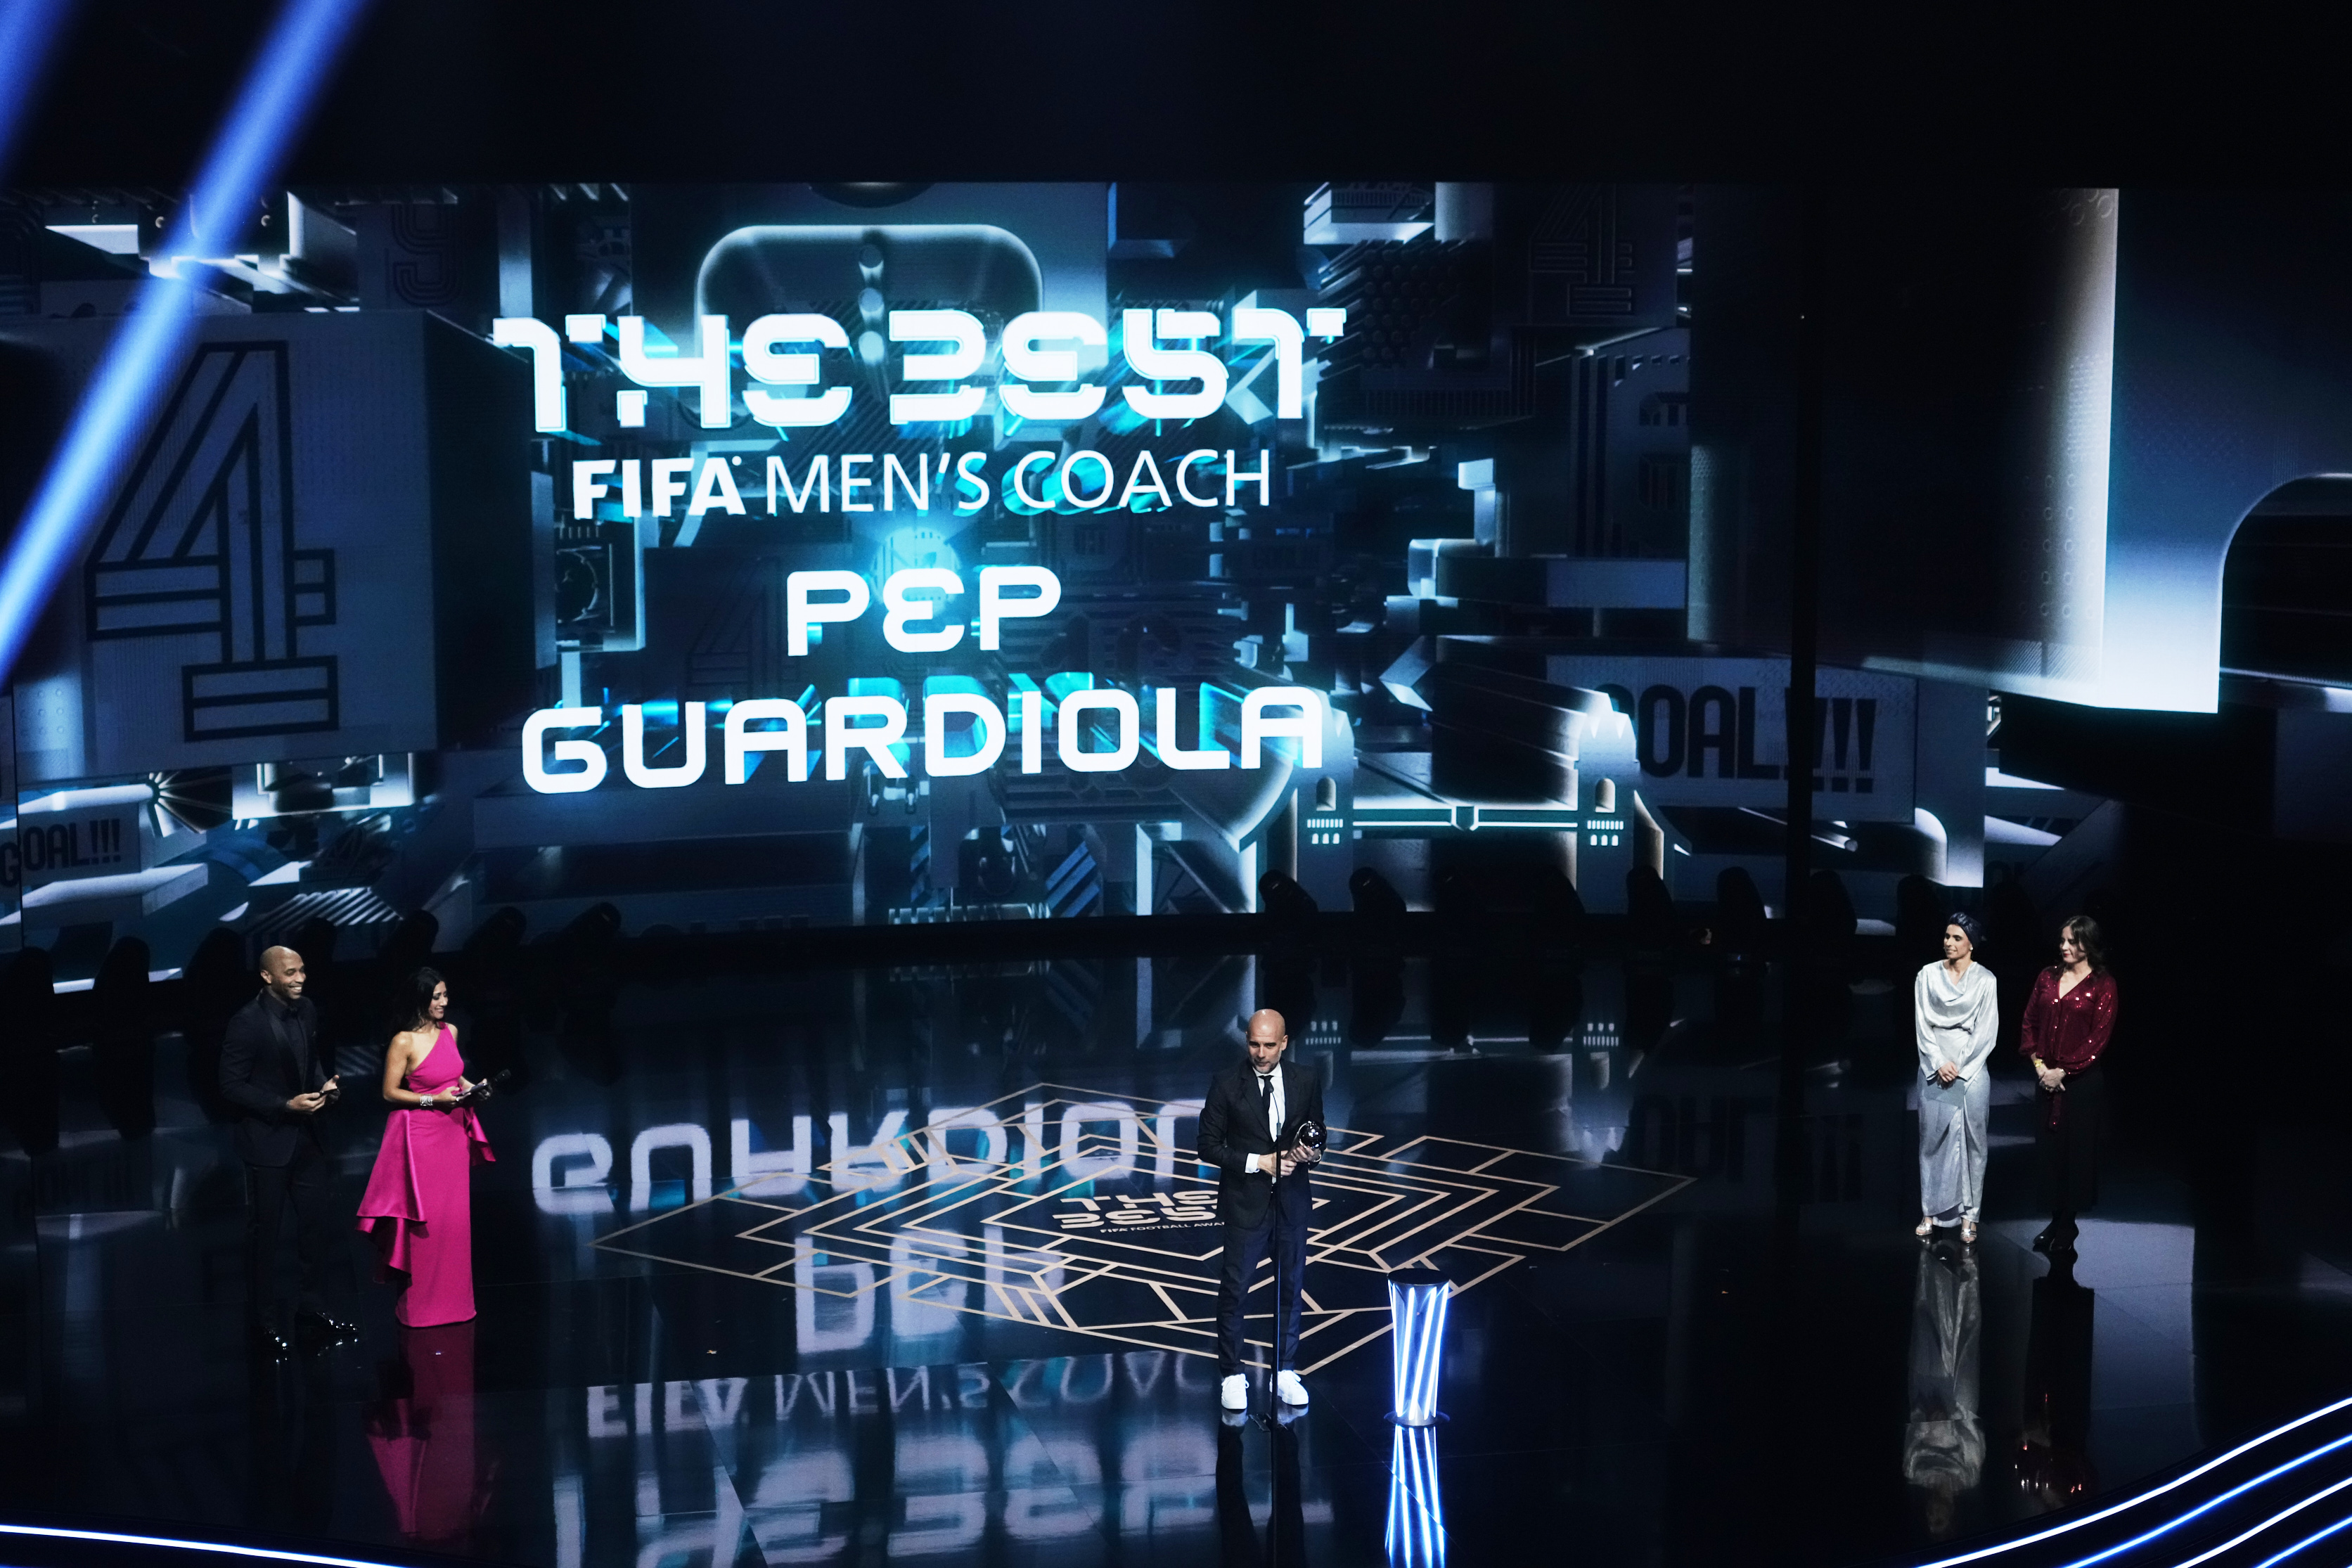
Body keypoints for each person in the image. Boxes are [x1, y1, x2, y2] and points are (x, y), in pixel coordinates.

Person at [219, 944, 352, 1358]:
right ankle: (262, 1321)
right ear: (267, 977)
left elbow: (310, 1061)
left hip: (308, 1138)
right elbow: (230, 1085)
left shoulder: (307, 1010)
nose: (300, 979)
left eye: (302, 970)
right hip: (268, 1143)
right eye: (291, 973)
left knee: (315, 1228)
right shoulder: (246, 1022)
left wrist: (323, 1087)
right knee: (266, 1237)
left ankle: (311, 1310)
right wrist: (283, 1106)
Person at [1196, 1008, 1325, 1413]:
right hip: (1245, 1204)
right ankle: (1233, 1374)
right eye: (1254, 1044)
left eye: (1270, 1045)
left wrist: (1311, 1153)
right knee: (1235, 1291)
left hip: (1292, 1204)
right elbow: (1207, 1146)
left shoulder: (1306, 1080)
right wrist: (1260, 1162)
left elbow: (1318, 1131)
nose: (1261, 1053)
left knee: (1291, 1288)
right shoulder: (1226, 1084)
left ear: (1284, 1043)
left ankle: (1285, 1371)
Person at [358, 968, 494, 1327]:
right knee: (426, 1225)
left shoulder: (451, 1031)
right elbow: (390, 1092)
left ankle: (456, 1305)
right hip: (422, 1141)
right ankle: (420, 1309)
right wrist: (434, 1100)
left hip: (453, 1137)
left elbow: (452, 1075)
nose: (444, 1002)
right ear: (420, 999)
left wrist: (472, 1088)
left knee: (455, 1222)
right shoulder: (403, 1041)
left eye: (445, 995)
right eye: (437, 997)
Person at [2021, 915, 2119, 1255]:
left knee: (2077, 1152)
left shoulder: (2103, 984)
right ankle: (2055, 1218)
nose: (2064, 947)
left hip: (2080, 1083)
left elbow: (2098, 1038)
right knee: (2050, 1152)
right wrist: (2040, 1067)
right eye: (2062, 940)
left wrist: (2063, 1071)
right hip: (2045, 1077)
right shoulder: (2047, 977)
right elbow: (2030, 1022)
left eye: (2072, 942)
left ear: (2087, 944)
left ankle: (2068, 1222)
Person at [1914, 914, 1998, 1245]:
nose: (1949, 942)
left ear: (1972, 943)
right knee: (1932, 1139)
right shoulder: (1927, 975)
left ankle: (1970, 1216)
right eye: (1947, 936)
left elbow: (1986, 1032)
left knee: (1974, 1141)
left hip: (1970, 1068)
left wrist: (1959, 1067)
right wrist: (1939, 1063)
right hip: (1934, 1065)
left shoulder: (1986, 980)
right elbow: (1922, 1025)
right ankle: (1929, 1212)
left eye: (1957, 937)